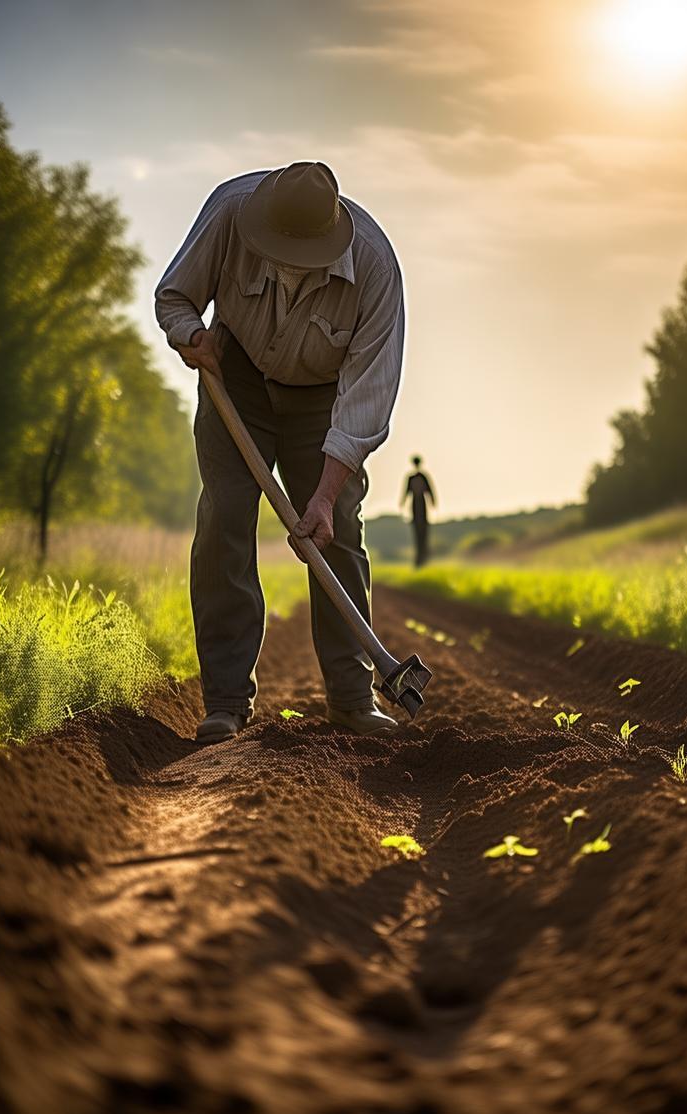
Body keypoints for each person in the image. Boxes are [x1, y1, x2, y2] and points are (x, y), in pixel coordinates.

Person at [155, 161, 405, 743]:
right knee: (224, 522)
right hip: (234, 376)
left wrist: (321, 494)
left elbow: (367, 400)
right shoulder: (228, 211)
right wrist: (192, 337)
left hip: (324, 399)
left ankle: (351, 699)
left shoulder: (373, 267)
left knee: (336, 527)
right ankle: (225, 701)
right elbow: (175, 295)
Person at [401, 455, 436, 568]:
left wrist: (432, 501)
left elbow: (429, 491)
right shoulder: (413, 477)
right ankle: (420, 559)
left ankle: (423, 558)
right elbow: (407, 492)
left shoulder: (420, 477)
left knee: (422, 532)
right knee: (418, 532)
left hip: (420, 505)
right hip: (416, 506)